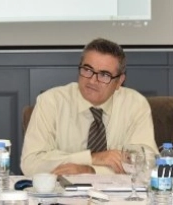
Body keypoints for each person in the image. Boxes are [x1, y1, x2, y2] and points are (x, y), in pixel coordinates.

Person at [21, 38, 157, 175]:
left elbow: (147, 165)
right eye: (87, 70)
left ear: (119, 82)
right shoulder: (51, 102)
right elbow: (30, 164)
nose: (92, 80)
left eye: (104, 75)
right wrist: (91, 158)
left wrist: (89, 170)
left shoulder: (135, 105)